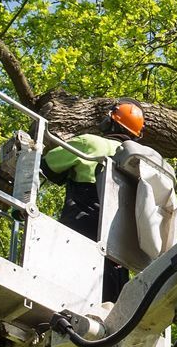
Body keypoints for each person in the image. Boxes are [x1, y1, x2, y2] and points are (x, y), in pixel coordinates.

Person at [42, 100, 145, 297]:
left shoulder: (90, 143)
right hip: (119, 253)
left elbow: (47, 165)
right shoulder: (140, 165)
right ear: (136, 135)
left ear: (109, 121)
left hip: (79, 235)